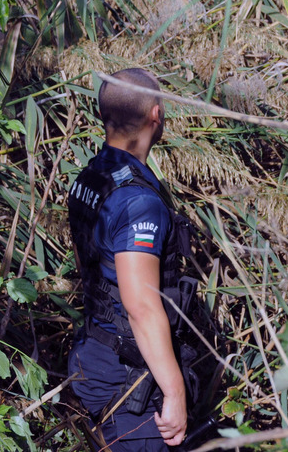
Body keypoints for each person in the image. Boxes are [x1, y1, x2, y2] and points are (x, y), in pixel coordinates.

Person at [67, 68, 195, 450]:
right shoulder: (139, 202)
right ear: (156, 115)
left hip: (93, 354)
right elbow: (140, 305)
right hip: (128, 380)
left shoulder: (93, 176)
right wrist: (174, 393)